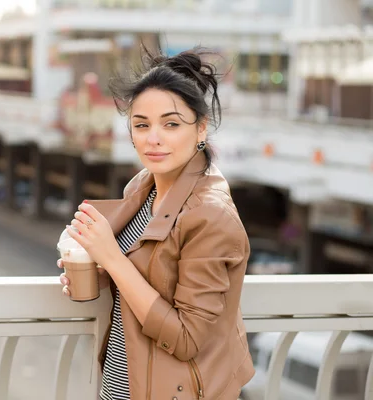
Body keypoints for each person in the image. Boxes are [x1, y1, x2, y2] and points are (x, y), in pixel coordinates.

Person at [57, 46, 255, 400]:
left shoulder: (210, 215)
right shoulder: (142, 186)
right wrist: (99, 272)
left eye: (171, 124)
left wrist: (112, 256)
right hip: (122, 387)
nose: (153, 138)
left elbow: (187, 338)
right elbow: (151, 278)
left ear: (201, 129)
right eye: (141, 125)